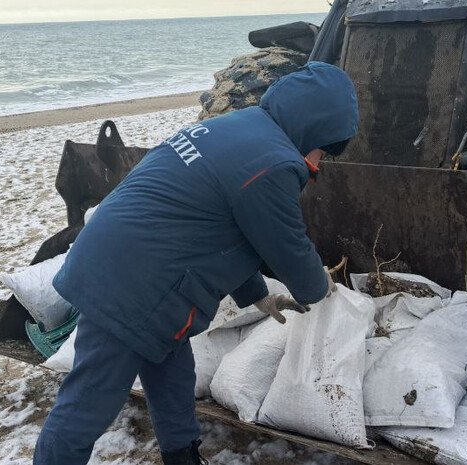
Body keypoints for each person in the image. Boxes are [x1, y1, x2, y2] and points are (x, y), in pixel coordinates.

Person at [34, 61, 359, 465]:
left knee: (171, 370)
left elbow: (225, 231)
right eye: (324, 150)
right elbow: (286, 245)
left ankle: (182, 456)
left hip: (134, 266)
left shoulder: (241, 126)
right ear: (314, 130)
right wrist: (318, 286)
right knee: (89, 401)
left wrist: (258, 295)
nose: (319, 162)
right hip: (131, 285)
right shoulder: (275, 162)